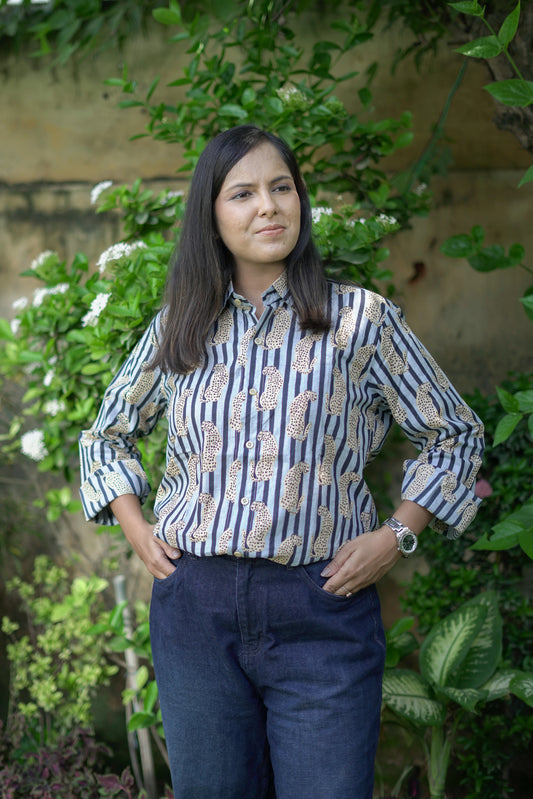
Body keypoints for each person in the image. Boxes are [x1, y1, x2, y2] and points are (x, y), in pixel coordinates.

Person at [79, 125, 484, 799]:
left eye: (280, 187)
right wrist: (135, 527)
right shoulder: (181, 322)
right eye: (242, 193)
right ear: (211, 216)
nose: (267, 206)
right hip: (195, 614)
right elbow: (106, 435)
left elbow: (456, 434)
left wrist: (397, 533)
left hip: (320, 610)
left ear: (300, 201)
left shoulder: (361, 322)